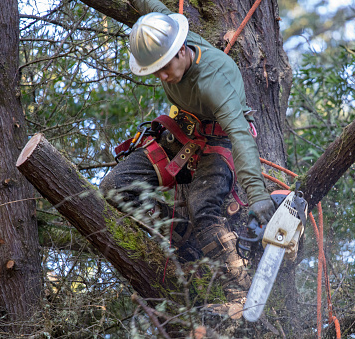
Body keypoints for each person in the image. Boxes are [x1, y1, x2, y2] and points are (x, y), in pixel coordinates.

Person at [100, 0, 275, 317]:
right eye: (156, 71)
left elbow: (240, 135)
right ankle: (189, 238)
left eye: (165, 67)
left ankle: (242, 293)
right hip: (183, 132)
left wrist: (259, 194)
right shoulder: (164, 31)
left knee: (203, 208)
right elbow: (150, 7)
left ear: (182, 50)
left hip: (220, 140)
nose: (164, 77)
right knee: (116, 185)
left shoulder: (214, 82)